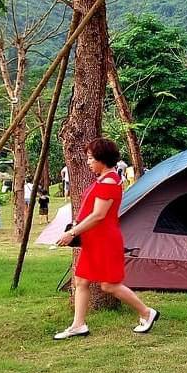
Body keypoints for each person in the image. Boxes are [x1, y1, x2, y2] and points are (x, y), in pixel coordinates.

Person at [54, 137, 159, 340]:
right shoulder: (104, 179)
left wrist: (72, 233)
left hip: (104, 241)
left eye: (91, 158)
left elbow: (98, 215)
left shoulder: (109, 182)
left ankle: (146, 312)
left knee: (109, 284)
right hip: (93, 240)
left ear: (103, 159)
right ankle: (78, 325)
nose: (88, 162)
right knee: (81, 280)